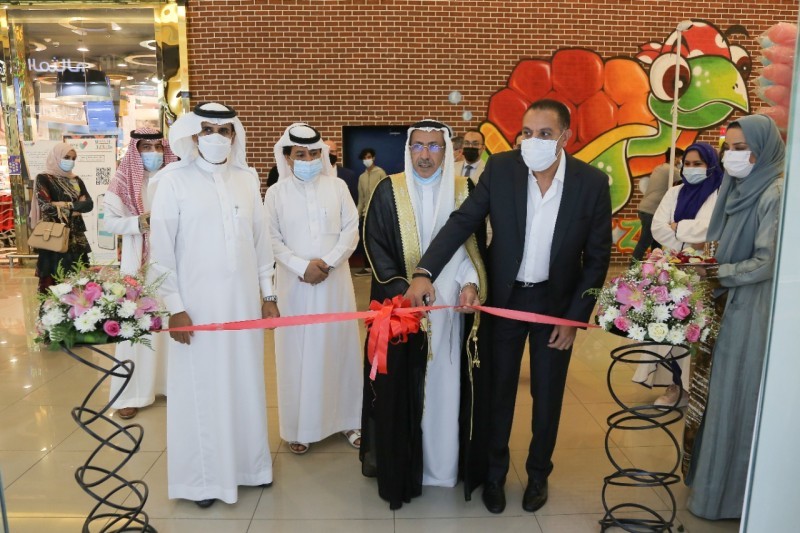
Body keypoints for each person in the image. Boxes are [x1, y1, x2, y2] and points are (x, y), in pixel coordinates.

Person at [407, 99, 612, 514]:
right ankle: (495, 474)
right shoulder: (501, 169)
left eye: (544, 134)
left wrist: (574, 319)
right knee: (497, 392)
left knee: (547, 395)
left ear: (565, 137)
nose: (532, 141)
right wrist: (425, 270)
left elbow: (597, 258)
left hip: (555, 306)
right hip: (504, 301)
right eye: (527, 133)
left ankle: (538, 475)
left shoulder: (590, 183)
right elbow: (463, 222)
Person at [149, 102, 279, 508]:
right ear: (193, 134)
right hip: (195, 308)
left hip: (243, 306)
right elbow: (160, 253)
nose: (216, 138)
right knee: (201, 389)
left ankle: (249, 468)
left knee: (244, 382)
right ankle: (202, 481)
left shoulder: (246, 179)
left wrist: (268, 295)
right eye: (207, 130)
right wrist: (174, 306)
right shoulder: (173, 181)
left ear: (234, 135)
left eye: (224, 131)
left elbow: (260, 241)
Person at [360, 119, 489, 510]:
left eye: (434, 146)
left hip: (450, 311)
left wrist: (470, 284)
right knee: (405, 390)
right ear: (408, 149)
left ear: (447, 151)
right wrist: (405, 293)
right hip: (404, 312)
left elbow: (472, 249)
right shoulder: (388, 189)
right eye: (418, 146)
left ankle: (444, 467)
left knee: (447, 389)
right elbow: (376, 245)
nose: (425, 155)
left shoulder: (465, 190)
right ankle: (405, 471)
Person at [685, 114, 784, 520]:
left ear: (765, 150)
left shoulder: (774, 193)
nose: (733, 156)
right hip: (726, 303)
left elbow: (767, 262)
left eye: (742, 148)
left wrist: (718, 273)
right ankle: (711, 487)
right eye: (729, 147)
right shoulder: (738, 189)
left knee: (733, 397)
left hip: (750, 309)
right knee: (715, 396)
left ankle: (731, 498)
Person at [265, 124, 362, 455]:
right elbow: (271, 239)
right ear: (287, 158)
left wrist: (328, 263)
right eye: (300, 154)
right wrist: (300, 266)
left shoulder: (338, 187)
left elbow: (351, 230)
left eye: (314, 153)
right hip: (294, 286)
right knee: (297, 355)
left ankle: (349, 420)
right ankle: (299, 427)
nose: (308, 160)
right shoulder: (275, 193)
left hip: (335, 284)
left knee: (339, 349)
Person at [633, 142, 723, 407]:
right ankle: (675, 386)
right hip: (672, 272)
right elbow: (658, 228)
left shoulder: (720, 194)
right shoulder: (674, 192)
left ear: (711, 165)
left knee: (694, 333)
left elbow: (713, 229)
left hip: (703, 275)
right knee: (669, 331)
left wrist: (678, 227)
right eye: (688, 164)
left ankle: (692, 389)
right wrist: (690, 237)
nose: (691, 168)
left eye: (699, 164)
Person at [104, 128, 178, 420]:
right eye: (146, 147)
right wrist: (139, 222)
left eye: (158, 147)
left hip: (173, 265)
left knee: (171, 324)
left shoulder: (175, 178)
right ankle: (131, 393)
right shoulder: (123, 181)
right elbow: (110, 223)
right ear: (135, 151)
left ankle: (171, 386)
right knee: (136, 328)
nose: (153, 153)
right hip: (139, 266)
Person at [33, 143, 93, 293]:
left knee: (78, 279)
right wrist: (75, 207)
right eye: (66, 157)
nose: (70, 161)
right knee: (55, 277)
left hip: (76, 236)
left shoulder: (76, 180)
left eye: (73, 158)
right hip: (54, 235)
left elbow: (89, 205)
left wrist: (63, 205)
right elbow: (46, 206)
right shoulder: (44, 178)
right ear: (56, 157)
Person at [632, 147, 685, 262]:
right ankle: (632, 267)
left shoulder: (659, 168)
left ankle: (656, 264)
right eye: (681, 159)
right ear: (675, 158)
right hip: (652, 210)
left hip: (645, 208)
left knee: (657, 241)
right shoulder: (672, 170)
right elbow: (684, 184)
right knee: (644, 242)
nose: (682, 162)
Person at [354, 147, 386, 276]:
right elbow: (361, 199)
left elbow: (385, 194)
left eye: (368, 157)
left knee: (378, 242)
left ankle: (380, 268)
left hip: (378, 214)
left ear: (373, 158)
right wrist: (357, 216)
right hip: (365, 215)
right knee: (365, 241)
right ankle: (367, 268)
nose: (366, 160)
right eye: (364, 158)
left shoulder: (380, 173)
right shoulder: (361, 177)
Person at [324, 139, 358, 204]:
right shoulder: (315, 175)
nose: (329, 154)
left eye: (332, 151)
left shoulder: (349, 175)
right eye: (325, 151)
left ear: (338, 154)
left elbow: (354, 200)